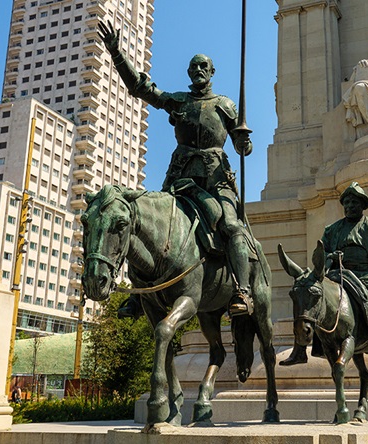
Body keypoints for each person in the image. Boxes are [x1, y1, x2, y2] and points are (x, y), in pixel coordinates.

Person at [98, 22, 255, 317]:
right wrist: (117, 53)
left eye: (203, 67)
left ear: (211, 73)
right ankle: (139, 294)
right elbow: (140, 88)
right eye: (193, 67)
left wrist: (245, 143)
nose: (198, 71)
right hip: (179, 179)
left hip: (215, 181)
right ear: (189, 73)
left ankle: (242, 290)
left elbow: (241, 147)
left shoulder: (224, 105)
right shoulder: (179, 101)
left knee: (233, 228)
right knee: (146, 224)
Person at [281, 182, 368, 369]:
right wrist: (330, 256)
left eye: (353, 202)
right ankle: (299, 349)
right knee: (307, 292)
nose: (349, 206)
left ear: (363, 205)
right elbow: (321, 255)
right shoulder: (332, 230)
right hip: (338, 274)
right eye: (346, 203)